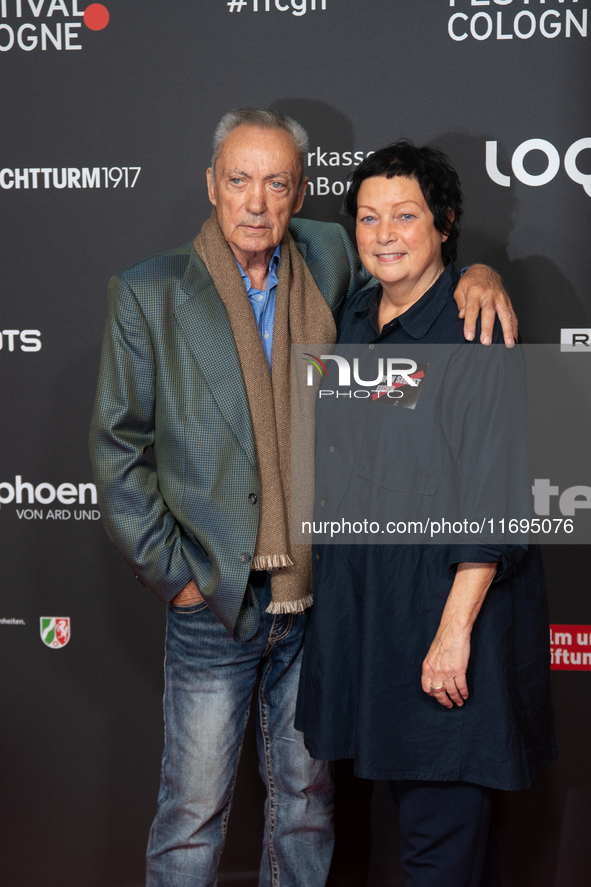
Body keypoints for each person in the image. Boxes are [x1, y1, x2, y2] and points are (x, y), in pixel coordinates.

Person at [89, 110, 517, 887]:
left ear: (300, 194)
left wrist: (478, 276)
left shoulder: (329, 256)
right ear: (212, 184)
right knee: (190, 813)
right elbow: (118, 447)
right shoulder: (148, 292)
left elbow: (418, 275)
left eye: (277, 182)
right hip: (212, 598)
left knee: (308, 804)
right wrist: (176, 576)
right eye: (240, 179)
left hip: (320, 605)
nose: (257, 202)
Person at [296, 142, 556, 887]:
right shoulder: (352, 319)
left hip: (444, 625)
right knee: (441, 842)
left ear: (443, 224)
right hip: (370, 622)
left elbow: (495, 497)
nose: (384, 233)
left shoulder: (473, 332)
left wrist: (450, 636)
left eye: (404, 216)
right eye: (369, 217)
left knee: (438, 843)